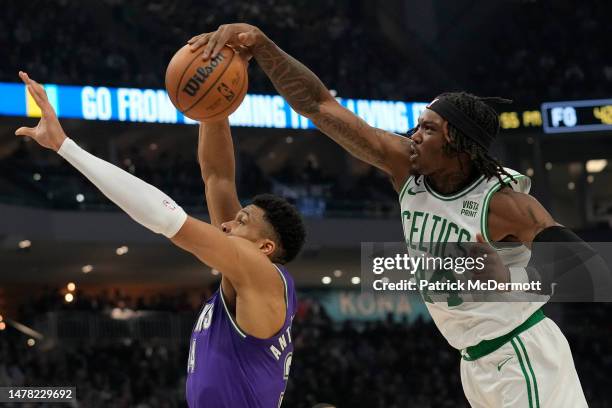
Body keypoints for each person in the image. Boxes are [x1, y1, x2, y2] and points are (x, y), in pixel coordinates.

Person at [186, 24, 594, 407]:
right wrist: (262, 46)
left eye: (428, 129)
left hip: (523, 350)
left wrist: (510, 283)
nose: (414, 135)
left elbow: (589, 273)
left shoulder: (506, 206)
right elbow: (318, 104)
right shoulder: (406, 167)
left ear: (457, 143)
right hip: (475, 361)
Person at [15, 71, 305, 408]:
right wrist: (215, 106)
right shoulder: (249, 274)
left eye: (241, 221)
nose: (226, 224)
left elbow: (167, 218)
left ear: (265, 247)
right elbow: (218, 178)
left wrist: (66, 147)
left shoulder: (263, 274)